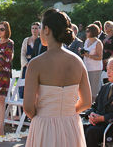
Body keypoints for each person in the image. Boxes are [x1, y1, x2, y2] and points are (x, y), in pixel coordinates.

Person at [24, 9, 92, 147]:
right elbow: (86, 102)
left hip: (44, 125)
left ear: (47, 30)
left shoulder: (36, 64)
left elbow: (27, 107)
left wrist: (44, 116)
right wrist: (67, 112)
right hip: (71, 125)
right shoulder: (78, 62)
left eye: (41, 28)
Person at [84, 57, 113, 147]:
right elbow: (95, 105)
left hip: (111, 127)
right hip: (97, 124)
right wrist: (91, 115)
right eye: (107, 69)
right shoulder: (105, 87)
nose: (108, 72)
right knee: (78, 128)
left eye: (111, 69)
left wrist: (101, 118)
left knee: (91, 132)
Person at [20, 22, 42, 99]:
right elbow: (22, 54)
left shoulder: (41, 41)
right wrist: (27, 64)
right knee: (25, 85)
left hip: (37, 64)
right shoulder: (26, 40)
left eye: (36, 28)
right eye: (32, 28)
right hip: (27, 64)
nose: (34, 30)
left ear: (39, 29)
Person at [82, 23, 104, 100]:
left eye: (88, 31)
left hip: (95, 68)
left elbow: (100, 57)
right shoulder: (87, 41)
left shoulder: (98, 43)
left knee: (94, 90)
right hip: (86, 67)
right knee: (87, 89)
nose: (86, 32)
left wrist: (88, 56)